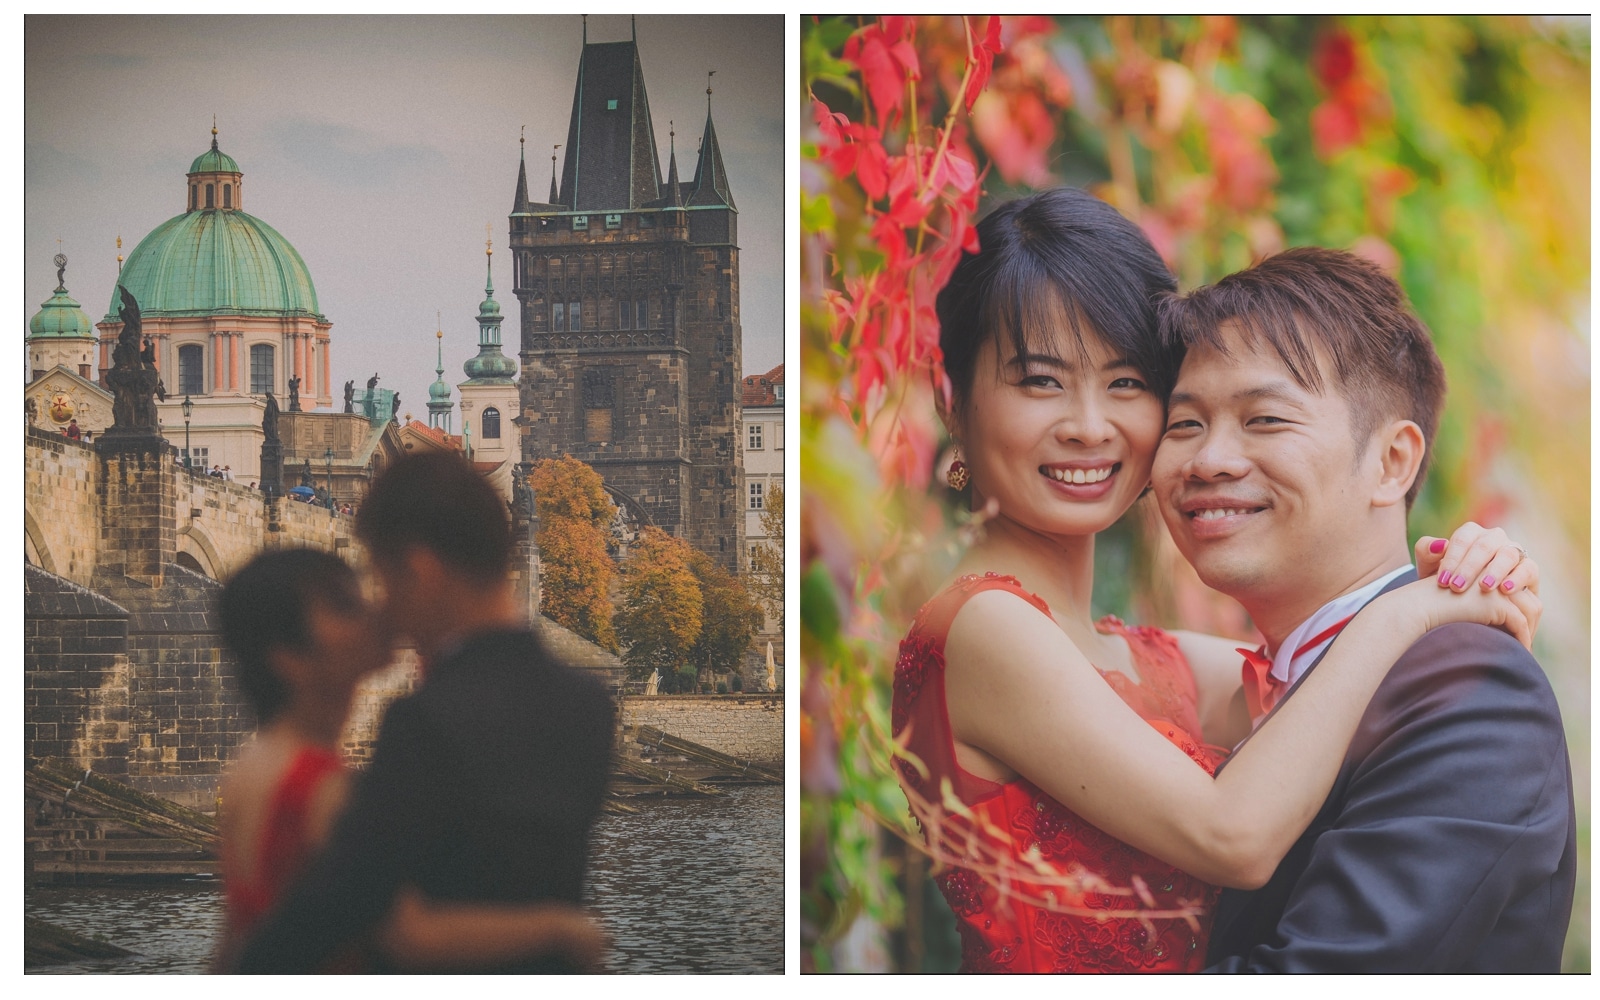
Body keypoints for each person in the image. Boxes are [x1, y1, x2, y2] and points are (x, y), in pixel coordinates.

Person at [890, 188, 1542, 973]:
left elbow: (1318, 672)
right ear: (952, 399)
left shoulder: (1157, 661)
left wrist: (1480, 582)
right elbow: (1232, 833)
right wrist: (1411, 612)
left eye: (1128, 383)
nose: (1090, 425)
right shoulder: (982, 627)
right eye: (1039, 381)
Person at [1153, 247, 1574, 972]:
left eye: (1264, 419)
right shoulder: (1242, 686)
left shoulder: (1471, 692)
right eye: (1185, 424)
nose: (1210, 459)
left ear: (1392, 463)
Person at [236, 452, 616, 973]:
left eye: (384, 578)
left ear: (420, 571)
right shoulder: (588, 704)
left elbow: (344, 909)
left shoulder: (430, 719)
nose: (383, 606)